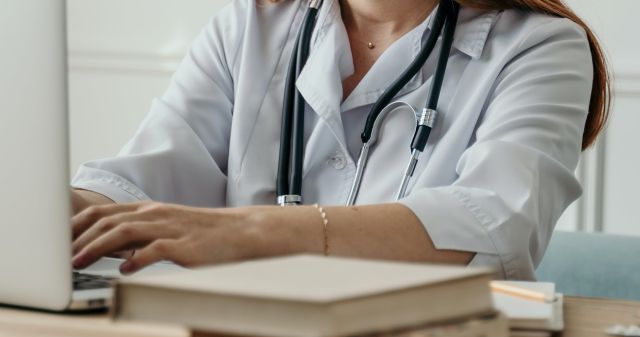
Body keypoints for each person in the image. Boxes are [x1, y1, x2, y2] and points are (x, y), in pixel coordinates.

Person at [70, 0, 610, 279]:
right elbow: (135, 183)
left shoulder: (542, 47)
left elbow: (492, 227)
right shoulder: (250, 24)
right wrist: (56, 211)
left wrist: (254, 231)